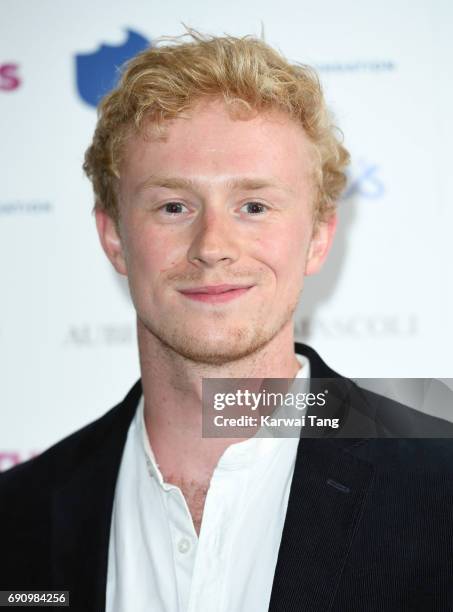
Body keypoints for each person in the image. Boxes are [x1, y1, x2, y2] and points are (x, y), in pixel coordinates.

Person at [1, 31, 453, 612]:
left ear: (318, 237)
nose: (212, 246)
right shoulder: (18, 517)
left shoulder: (439, 484)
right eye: (173, 206)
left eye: (254, 206)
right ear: (113, 236)